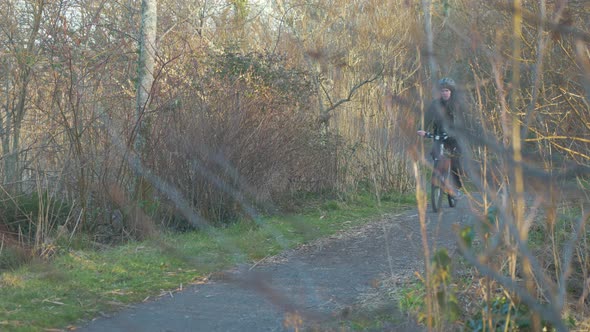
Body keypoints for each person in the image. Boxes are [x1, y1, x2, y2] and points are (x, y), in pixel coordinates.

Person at [417, 77, 465, 198]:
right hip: (439, 135)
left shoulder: (457, 104)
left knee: (455, 161)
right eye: (442, 90)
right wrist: (421, 129)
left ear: (451, 92)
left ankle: (457, 188)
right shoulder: (435, 104)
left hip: (454, 137)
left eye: (447, 91)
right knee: (435, 155)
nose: (444, 93)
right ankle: (439, 178)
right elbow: (427, 117)